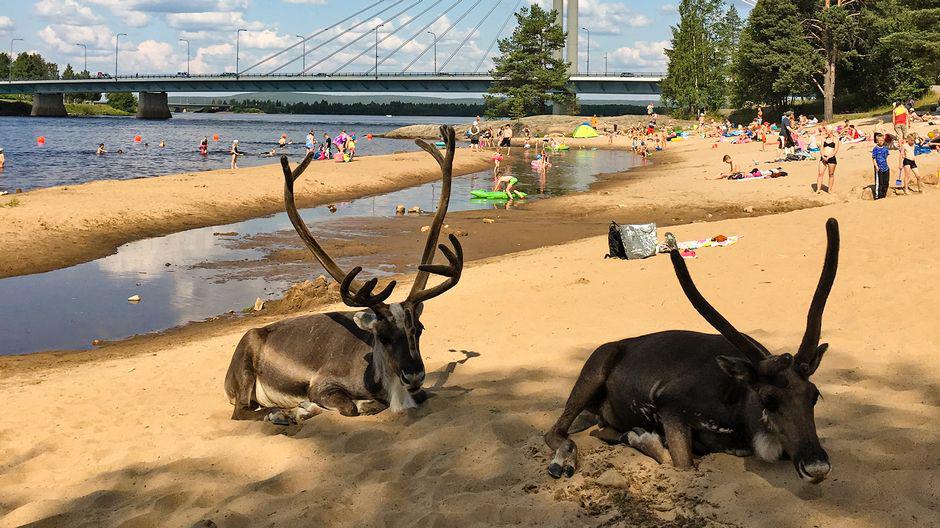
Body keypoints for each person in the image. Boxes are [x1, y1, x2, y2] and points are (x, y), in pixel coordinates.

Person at [816, 127, 840, 194]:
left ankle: (829, 190)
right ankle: (818, 189)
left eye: (827, 130)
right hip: (823, 157)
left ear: (831, 131)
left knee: (831, 174)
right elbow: (821, 148)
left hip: (831, 158)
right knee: (820, 173)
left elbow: (835, 150)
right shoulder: (824, 138)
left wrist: (829, 157)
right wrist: (823, 156)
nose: (826, 131)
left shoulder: (835, 139)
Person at [871, 133, 891, 200]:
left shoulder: (885, 148)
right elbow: (873, 158)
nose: (880, 141)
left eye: (882, 140)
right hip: (879, 168)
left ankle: (884, 195)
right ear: (877, 141)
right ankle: (878, 196)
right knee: (880, 183)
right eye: (879, 140)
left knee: (886, 182)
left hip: (885, 167)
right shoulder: (875, 149)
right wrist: (876, 166)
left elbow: (886, 157)